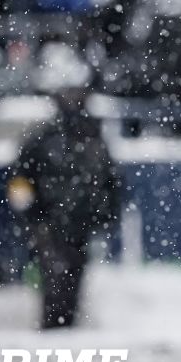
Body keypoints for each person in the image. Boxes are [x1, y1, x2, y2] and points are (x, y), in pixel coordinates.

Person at [8, 86, 121, 329]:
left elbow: (110, 182)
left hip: (81, 226)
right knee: (55, 284)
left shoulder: (93, 137)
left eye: (78, 95)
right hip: (49, 226)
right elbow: (20, 181)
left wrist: (106, 216)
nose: (73, 100)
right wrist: (33, 219)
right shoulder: (42, 139)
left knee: (73, 284)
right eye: (68, 94)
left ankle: (65, 332)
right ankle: (53, 332)